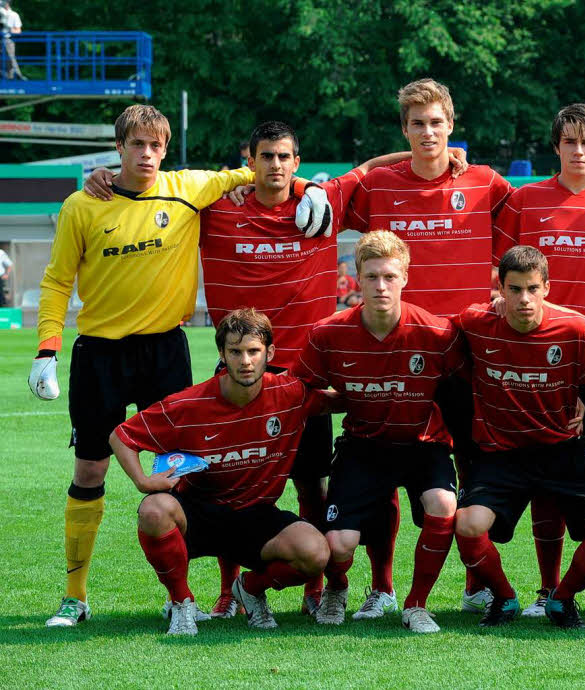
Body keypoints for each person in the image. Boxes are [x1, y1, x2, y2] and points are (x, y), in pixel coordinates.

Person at [331, 77, 585, 617]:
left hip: (471, 353)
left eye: (436, 123)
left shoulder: (488, 184)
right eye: (417, 124)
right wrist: (390, 157)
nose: (427, 132)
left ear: (452, 125)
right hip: (398, 351)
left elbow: (562, 201)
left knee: (473, 470)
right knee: (385, 466)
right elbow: (334, 195)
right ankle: (382, 586)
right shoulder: (378, 187)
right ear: (404, 129)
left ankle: (480, 585)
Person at [30, 105, 265, 628]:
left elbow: (266, 169)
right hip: (99, 353)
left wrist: (305, 187)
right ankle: (75, 596)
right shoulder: (81, 205)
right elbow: (56, 282)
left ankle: (177, 593)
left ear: (165, 148)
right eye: (137, 144)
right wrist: (47, 349)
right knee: (90, 468)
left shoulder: (187, 187)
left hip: (165, 350)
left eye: (156, 145)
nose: (147, 154)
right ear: (119, 149)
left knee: (178, 473)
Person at [198, 121, 419, 618]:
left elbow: (374, 167)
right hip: (239, 368)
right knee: (232, 482)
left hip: (305, 373)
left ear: (297, 161)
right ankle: (227, 589)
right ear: (247, 159)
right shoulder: (216, 206)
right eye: (265, 156)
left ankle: (319, 584)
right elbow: (157, 194)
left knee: (313, 484)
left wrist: (448, 158)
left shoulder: (318, 202)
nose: (275, 165)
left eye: (284, 157)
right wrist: (106, 177)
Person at [493, 104, 585, 618]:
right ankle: (547, 589)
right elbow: (503, 268)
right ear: (555, 146)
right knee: (546, 477)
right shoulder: (525, 200)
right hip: (540, 359)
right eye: (569, 142)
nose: (579, 151)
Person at [109, 309, 337, 635]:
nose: (245, 361)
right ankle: (182, 602)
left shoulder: (288, 394)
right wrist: (143, 481)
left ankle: (250, 588)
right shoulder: (190, 404)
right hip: (200, 515)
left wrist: (383, 391)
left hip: (256, 517)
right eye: (235, 351)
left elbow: (334, 402)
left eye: (254, 351)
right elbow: (121, 436)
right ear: (222, 354)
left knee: (316, 553)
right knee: (154, 509)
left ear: (269, 354)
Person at [293, 231, 465, 634]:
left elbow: (468, 388)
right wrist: (334, 400)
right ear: (356, 278)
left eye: (390, 276)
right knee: (339, 544)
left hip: (423, 444)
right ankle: (337, 588)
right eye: (372, 277)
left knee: (442, 502)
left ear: (406, 276)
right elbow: (300, 392)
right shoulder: (329, 334)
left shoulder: (437, 334)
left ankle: (416, 604)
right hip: (364, 444)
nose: (381, 286)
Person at [452, 246, 585, 630]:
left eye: (532, 288)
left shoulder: (574, 327)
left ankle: (562, 600)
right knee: (466, 525)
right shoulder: (474, 322)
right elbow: (439, 345)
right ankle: (504, 598)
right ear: (500, 289)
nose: (524, 299)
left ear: (547, 287)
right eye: (514, 289)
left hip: (562, 448)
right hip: (501, 453)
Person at [1, 1, 25, 80]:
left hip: (7, 39)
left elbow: (18, 31)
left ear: (7, 3)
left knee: (10, 59)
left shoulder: (14, 15)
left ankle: (17, 76)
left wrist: (9, 28)